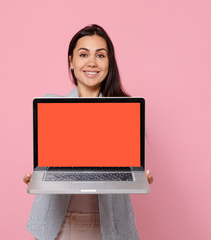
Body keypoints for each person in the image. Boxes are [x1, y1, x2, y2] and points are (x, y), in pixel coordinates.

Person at [23, 24, 154, 240]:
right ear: (71, 62)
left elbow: (127, 166)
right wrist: (38, 176)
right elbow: (49, 160)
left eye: (100, 55)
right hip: (58, 227)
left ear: (108, 63)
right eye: (83, 54)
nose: (92, 62)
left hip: (108, 229)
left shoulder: (124, 112)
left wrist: (137, 175)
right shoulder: (51, 107)